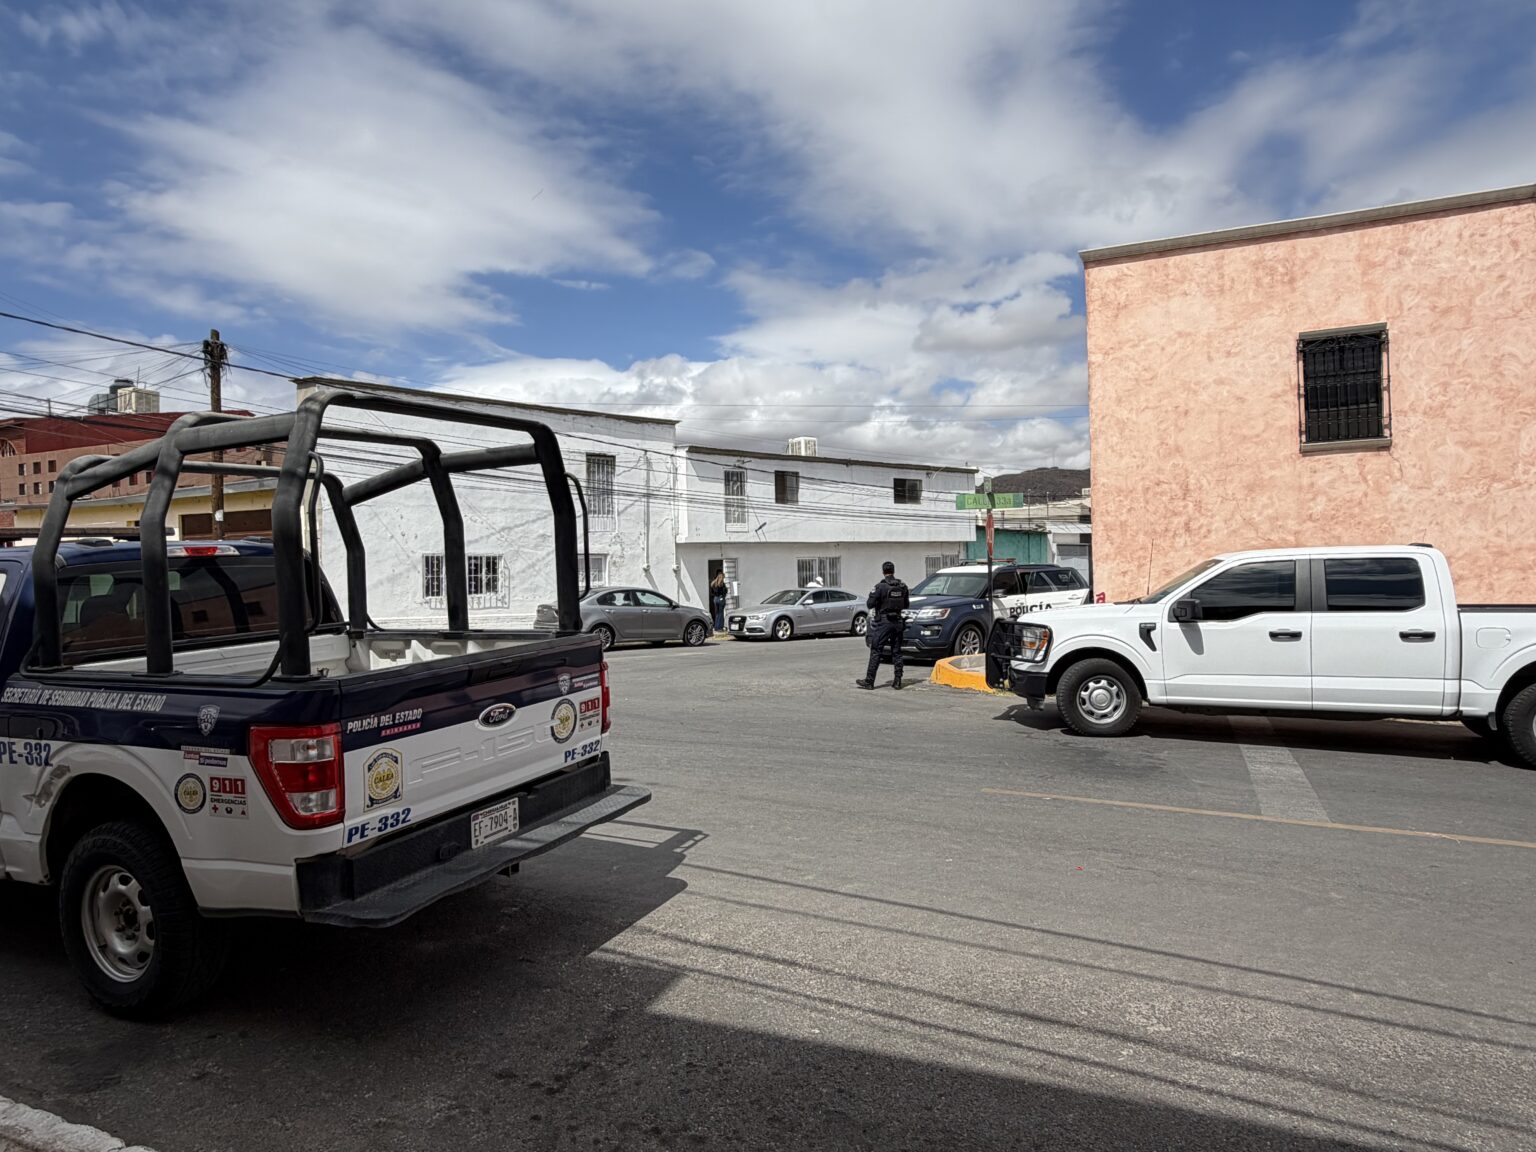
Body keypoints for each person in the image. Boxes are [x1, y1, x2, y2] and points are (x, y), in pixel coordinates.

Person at [857, 560, 909, 690]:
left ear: (883, 571)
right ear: (893, 571)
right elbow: (906, 605)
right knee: (896, 651)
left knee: (876, 650)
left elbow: (870, 604)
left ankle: (869, 681)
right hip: (898, 621)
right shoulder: (902, 586)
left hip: (884, 622)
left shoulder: (880, 587)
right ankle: (898, 681)